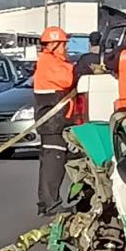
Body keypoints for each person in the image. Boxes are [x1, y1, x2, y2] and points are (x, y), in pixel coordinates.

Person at [33, 26, 76, 216]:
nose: (66, 48)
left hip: (53, 121)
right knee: (54, 163)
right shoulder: (49, 62)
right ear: (52, 45)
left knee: (50, 161)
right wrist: (78, 68)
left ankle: (46, 202)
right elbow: (67, 80)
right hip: (53, 122)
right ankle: (51, 204)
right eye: (63, 44)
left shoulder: (50, 61)